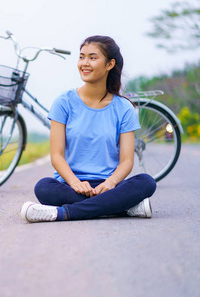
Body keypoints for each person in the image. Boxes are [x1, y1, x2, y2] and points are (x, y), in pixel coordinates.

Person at [20, 35, 157, 223]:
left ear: (110, 64)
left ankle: (63, 213)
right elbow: (57, 156)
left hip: (109, 187)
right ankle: (121, 208)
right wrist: (75, 183)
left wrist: (110, 183)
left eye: (93, 58)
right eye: (81, 57)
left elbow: (126, 161)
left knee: (146, 182)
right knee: (43, 187)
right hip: (71, 186)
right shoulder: (64, 102)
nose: (84, 63)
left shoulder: (124, 108)